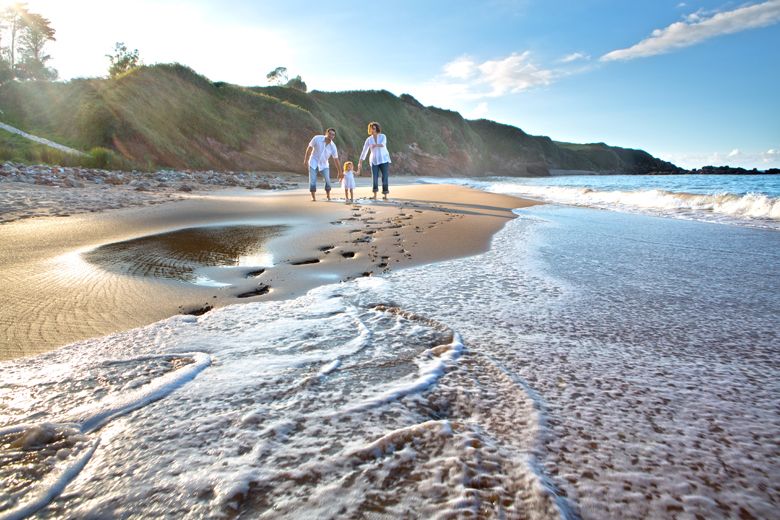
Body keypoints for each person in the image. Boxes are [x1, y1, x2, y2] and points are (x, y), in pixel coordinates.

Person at [303, 128, 341, 201]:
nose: (331, 136)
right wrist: (306, 160)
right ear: (326, 133)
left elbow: (336, 159)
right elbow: (309, 148)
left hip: (324, 164)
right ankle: (313, 197)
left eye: (333, 135)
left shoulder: (333, 146)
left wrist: (340, 172)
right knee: (313, 180)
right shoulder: (317, 138)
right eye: (330, 134)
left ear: (334, 137)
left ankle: (328, 196)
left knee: (328, 180)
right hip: (313, 162)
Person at [357, 121, 391, 200]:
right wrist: (360, 161)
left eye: (374, 128)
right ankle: (375, 195)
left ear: (377, 129)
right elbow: (364, 151)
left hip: (384, 160)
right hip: (374, 161)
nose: (373, 130)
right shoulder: (369, 139)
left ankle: (385, 195)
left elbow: (383, 144)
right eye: (371, 129)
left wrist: (375, 145)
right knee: (374, 177)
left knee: (384, 177)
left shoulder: (383, 136)